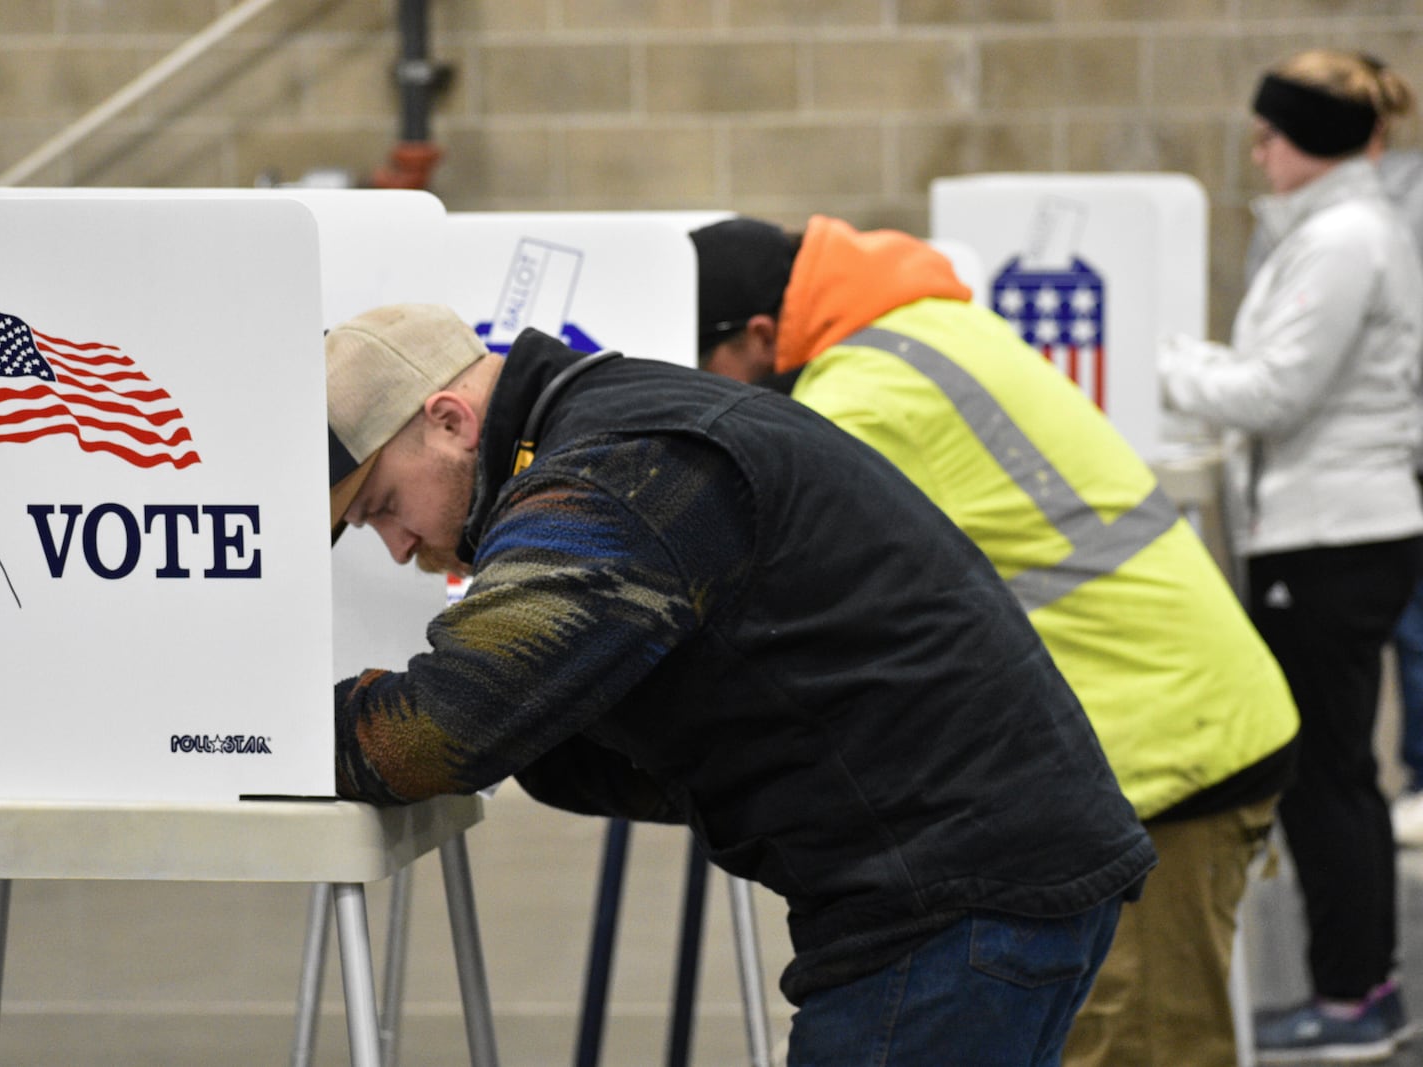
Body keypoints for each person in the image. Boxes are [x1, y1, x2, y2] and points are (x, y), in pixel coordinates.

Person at [325, 302, 1155, 1066]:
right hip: (985, 872)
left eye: (385, 506)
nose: (398, 546)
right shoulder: (623, 421)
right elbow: (561, 741)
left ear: (449, 420)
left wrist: (267, 732)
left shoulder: (617, 470)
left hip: (949, 896)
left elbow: (432, 736)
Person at [690, 214, 1299, 1067]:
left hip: (1156, 747)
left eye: (698, 364)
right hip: (1166, 705)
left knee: (1135, 1049)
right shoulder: (923, 325)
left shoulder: (859, 401)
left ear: (757, 335)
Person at [1159, 48, 1423, 1062]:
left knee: (1325, 776)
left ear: (1311, 140)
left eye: (1271, 135)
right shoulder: (1335, 230)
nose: (1258, 152)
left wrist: (1165, 361)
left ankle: (1352, 997)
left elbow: (1274, 391)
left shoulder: (1346, 237)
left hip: (1332, 536)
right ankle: (1362, 985)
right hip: (1329, 529)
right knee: (1334, 771)